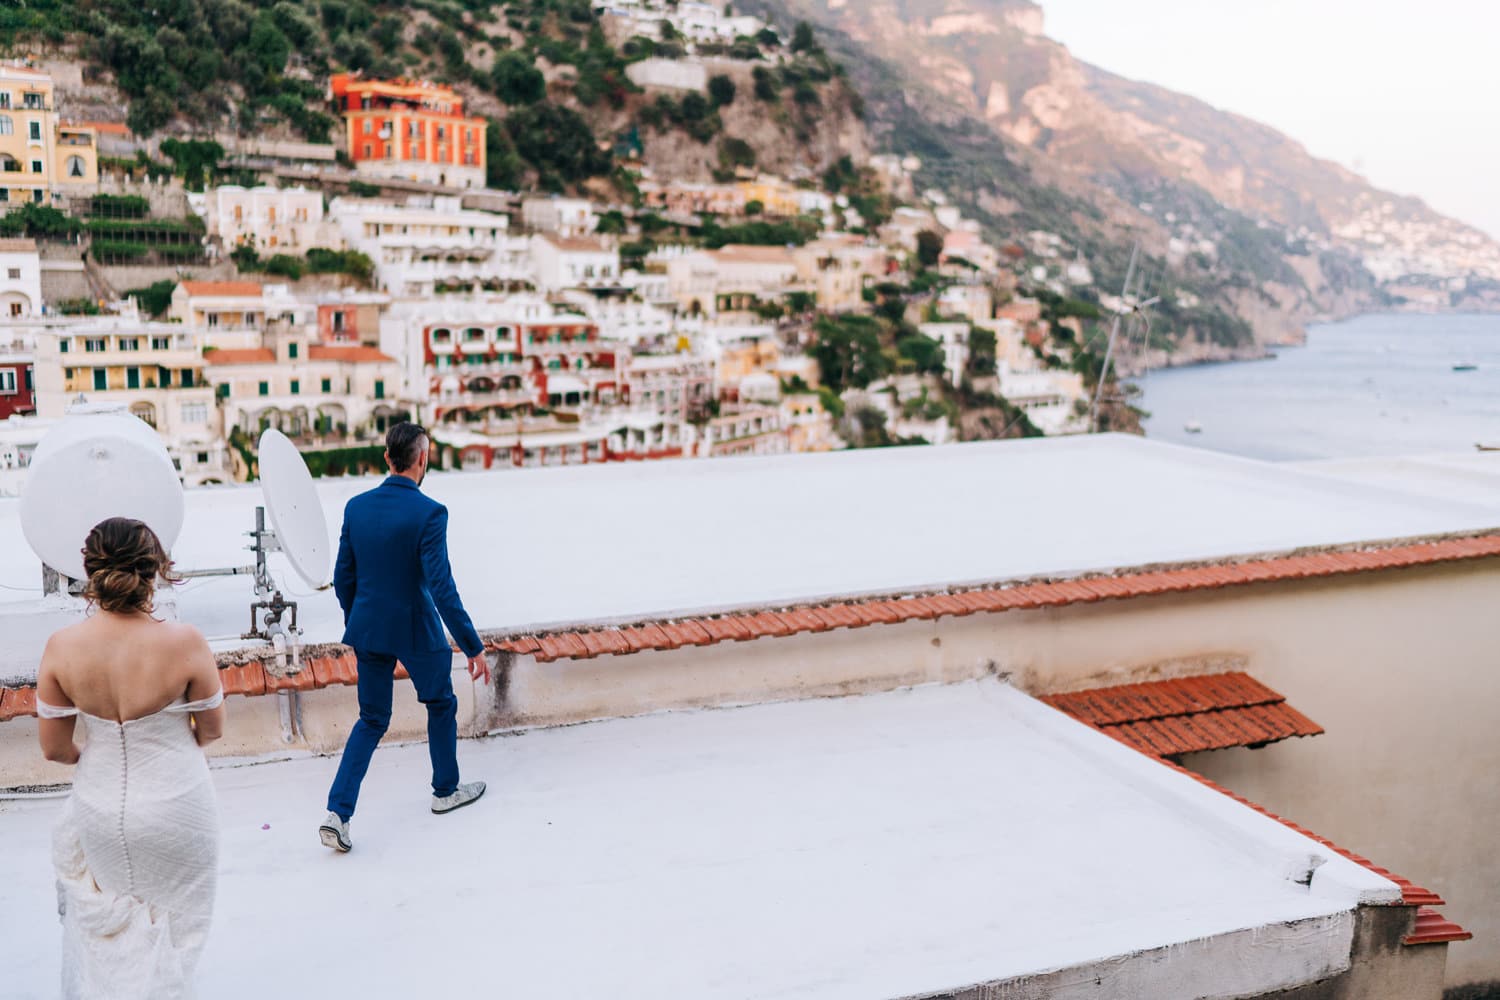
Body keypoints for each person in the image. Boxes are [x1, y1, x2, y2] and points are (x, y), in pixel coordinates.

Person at [36, 517, 226, 1000]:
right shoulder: (186, 642)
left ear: (90, 571)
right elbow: (211, 730)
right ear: (155, 570)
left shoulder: (61, 647)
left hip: (99, 807)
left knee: (114, 945)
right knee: (178, 938)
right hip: (180, 805)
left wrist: (94, 756)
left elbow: (55, 748)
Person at [321, 422, 491, 853]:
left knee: (372, 720)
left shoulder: (356, 508)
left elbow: (343, 578)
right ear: (422, 459)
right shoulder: (430, 513)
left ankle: (337, 815)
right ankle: (445, 791)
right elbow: (442, 588)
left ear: (387, 458)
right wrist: (472, 645)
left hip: (369, 628)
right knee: (440, 703)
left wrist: (359, 619)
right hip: (416, 630)